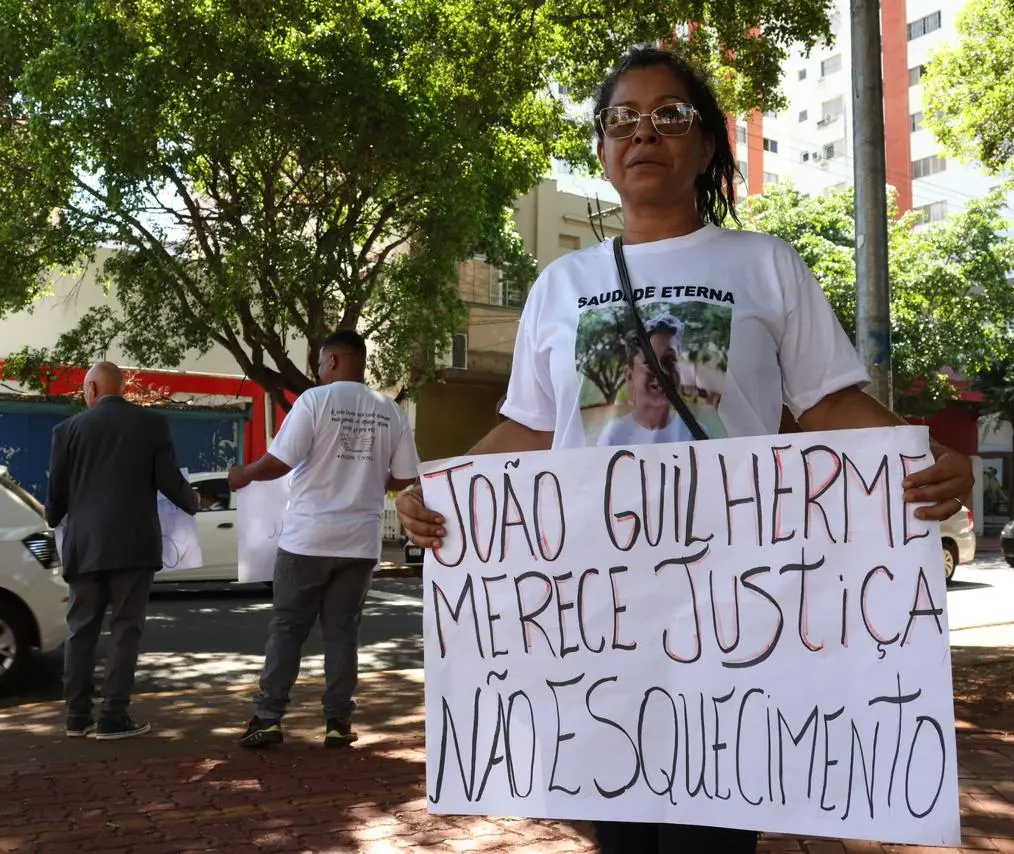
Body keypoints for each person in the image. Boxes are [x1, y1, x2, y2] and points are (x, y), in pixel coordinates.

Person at [396, 47, 974, 854]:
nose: (644, 133)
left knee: (713, 831)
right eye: (621, 119)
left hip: (732, 613)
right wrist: (443, 489)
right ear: (603, 148)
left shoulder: (766, 265)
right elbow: (530, 429)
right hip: (597, 621)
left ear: (705, 147)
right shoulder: (560, 286)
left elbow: (829, 402)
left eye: (670, 115)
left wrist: (925, 454)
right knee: (621, 830)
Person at [229, 329, 420, 749]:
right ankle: (338, 722)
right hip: (360, 544)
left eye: (319, 363)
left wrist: (244, 474)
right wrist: (370, 479)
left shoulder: (315, 401)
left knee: (287, 629)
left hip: (307, 541)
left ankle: (268, 718)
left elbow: (280, 462)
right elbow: (405, 476)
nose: (317, 370)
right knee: (342, 635)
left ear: (332, 360)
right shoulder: (390, 410)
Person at [46, 361, 199, 740]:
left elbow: (55, 503)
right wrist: (193, 501)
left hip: (84, 546)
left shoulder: (66, 431)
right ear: (122, 388)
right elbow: (170, 481)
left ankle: (76, 716)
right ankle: (114, 716)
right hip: (133, 545)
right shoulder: (151, 425)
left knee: (81, 630)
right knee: (125, 630)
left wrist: (55, 516)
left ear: (92, 389)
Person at [597, 313, 702, 446]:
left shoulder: (695, 434)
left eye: (670, 360)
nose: (662, 372)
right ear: (629, 375)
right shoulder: (614, 436)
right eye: (650, 363)